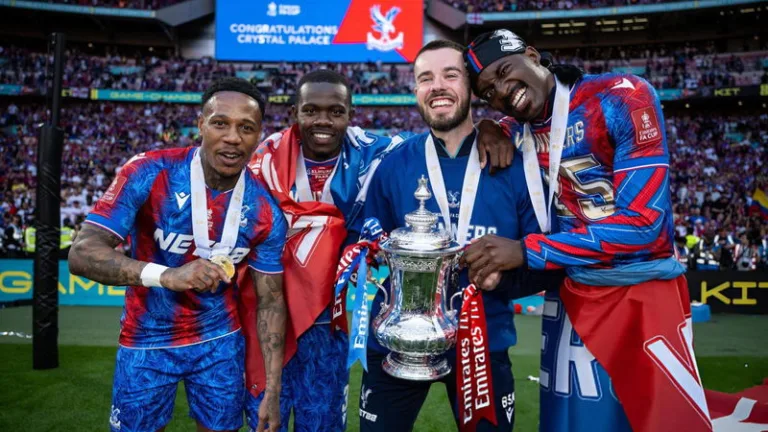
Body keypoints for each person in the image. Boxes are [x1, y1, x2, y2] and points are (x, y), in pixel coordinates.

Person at [462, 29, 712, 432]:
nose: (503, 92)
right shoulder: (516, 127)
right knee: (570, 420)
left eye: (505, 72)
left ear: (532, 55)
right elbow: (503, 123)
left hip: (640, 292)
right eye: (489, 93)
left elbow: (645, 225)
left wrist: (527, 251)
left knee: (655, 419)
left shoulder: (620, 96)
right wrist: (487, 127)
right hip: (570, 293)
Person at [243, 68, 515, 432]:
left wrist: (488, 126)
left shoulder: (376, 154)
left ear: (351, 115)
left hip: (326, 320)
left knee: (320, 424)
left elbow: (442, 135)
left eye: (335, 111)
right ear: (294, 112)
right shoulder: (264, 161)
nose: (323, 120)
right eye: (310, 110)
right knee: (264, 421)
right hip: (269, 312)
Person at [357, 39, 562, 432]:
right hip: (399, 341)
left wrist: (504, 278)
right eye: (425, 78)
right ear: (415, 90)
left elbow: (545, 264)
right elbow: (372, 244)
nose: (437, 86)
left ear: (470, 86)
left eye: (450, 75)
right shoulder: (394, 165)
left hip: (483, 343)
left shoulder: (516, 165)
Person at [69, 77, 287, 432]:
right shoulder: (149, 172)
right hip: (146, 338)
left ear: (259, 135)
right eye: (220, 123)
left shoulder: (266, 211)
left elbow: (271, 303)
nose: (233, 137)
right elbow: (82, 254)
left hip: (219, 341)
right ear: (201, 124)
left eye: (246, 128)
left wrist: (273, 391)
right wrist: (167, 275)